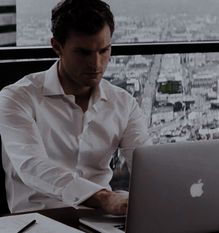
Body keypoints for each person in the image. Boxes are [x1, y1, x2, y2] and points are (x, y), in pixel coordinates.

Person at [0, 0, 150, 215]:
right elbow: (31, 165)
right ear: (57, 47)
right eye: (83, 53)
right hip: (38, 220)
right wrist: (104, 198)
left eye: (104, 51)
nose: (96, 64)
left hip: (102, 219)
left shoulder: (124, 103)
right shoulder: (16, 98)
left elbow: (146, 164)